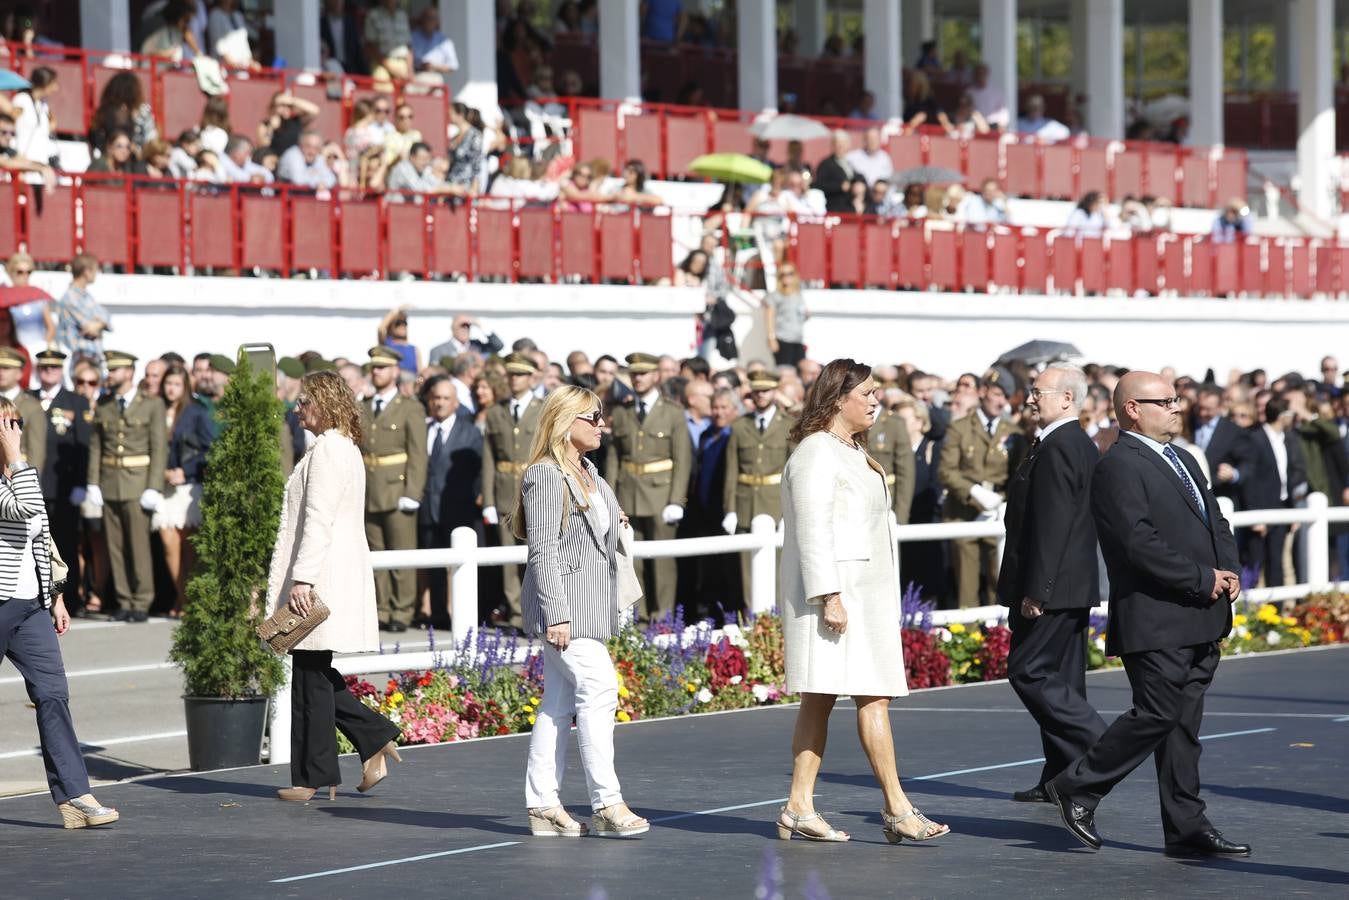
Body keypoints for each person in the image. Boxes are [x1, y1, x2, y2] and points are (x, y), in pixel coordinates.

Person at [1047, 372, 1248, 858]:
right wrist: (1204, 578)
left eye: (1177, 400)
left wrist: (1229, 569)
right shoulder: (1118, 465)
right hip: (1155, 618)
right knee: (1157, 713)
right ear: (1132, 408)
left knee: (1182, 727)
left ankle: (1185, 825)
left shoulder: (1180, 458)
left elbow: (1213, 517)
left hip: (1200, 614)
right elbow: (1137, 544)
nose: (1177, 407)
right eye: (1164, 401)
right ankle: (1077, 785)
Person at [777, 358, 949, 844]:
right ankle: (897, 808)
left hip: (858, 596)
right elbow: (811, 532)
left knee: (819, 699)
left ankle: (798, 806)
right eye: (868, 393)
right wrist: (829, 597)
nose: (877, 401)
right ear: (838, 400)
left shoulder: (848, 449)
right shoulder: (816, 453)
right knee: (870, 696)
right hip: (838, 599)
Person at [516, 384, 649, 838]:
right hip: (566, 608)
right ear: (564, 421)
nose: (601, 424)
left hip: (591, 607)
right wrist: (556, 614)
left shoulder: (589, 470)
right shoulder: (546, 475)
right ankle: (607, 802)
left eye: (601, 416)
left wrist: (616, 522)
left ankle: (542, 804)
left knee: (556, 704)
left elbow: (592, 529)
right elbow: (544, 550)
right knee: (599, 688)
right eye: (592, 417)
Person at [265, 369, 403, 802]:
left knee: (311, 676)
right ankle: (368, 740)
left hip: (323, 573)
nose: (297, 408)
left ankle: (314, 775)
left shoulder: (328, 451)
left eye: (304, 401)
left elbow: (318, 519)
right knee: (314, 674)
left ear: (324, 404)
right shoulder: (341, 447)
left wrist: (302, 577)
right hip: (332, 568)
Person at [0, 398, 119, 828]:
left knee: (53, 696)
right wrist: (16, 461)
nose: (13, 429)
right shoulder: (15, 476)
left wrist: (56, 595)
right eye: (5, 423)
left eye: (14, 421)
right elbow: (23, 508)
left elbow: (42, 533)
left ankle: (75, 796)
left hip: (31, 606)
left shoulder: (21, 472)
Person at [996, 364, 1108, 804]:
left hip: (1052, 588)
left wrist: (1037, 590)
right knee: (1063, 677)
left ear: (1067, 399)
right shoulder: (1067, 442)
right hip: (1066, 585)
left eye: (1038, 392)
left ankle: (1101, 742)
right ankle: (1062, 777)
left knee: (1029, 671)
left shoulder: (1062, 445)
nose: (1029, 398)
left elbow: (1053, 524)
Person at [603, 352, 692, 620]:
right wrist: (609, 498)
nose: (637, 378)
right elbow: (614, 460)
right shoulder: (622, 412)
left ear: (655, 375)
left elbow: (682, 459)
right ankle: (637, 615)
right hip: (628, 492)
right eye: (634, 373)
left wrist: (677, 500)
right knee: (631, 559)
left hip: (661, 493)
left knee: (663, 561)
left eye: (643, 373)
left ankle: (662, 616)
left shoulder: (673, 412)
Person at [85, 351, 165, 622]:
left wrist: (154, 486)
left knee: (138, 545)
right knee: (115, 546)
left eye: (117, 370)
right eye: (110, 369)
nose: (112, 374)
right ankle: (123, 599)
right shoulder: (105, 403)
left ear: (130, 372)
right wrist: (92, 482)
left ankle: (141, 601)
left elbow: (158, 447)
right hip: (110, 481)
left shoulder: (151, 404)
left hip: (138, 482)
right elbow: (97, 445)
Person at [939, 367, 1026, 608]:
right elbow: (947, 471)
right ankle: (967, 637)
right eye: (997, 394)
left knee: (997, 580)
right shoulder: (960, 428)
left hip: (997, 511)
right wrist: (975, 493)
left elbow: (1019, 475)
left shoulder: (1014, 434)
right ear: (984, 392)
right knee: (967, 584)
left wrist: (1004, 500)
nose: (1001, 402)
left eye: (1005, 397)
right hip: (963, 509)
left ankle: (997, 638)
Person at [360, 347, 427, 632]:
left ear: (396, 371)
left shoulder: (410, 406)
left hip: (397, 488)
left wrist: (412, 492)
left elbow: (418, 453)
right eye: (374, 367)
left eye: (383, 367)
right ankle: (381, 608)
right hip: (368, 489)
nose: (377, 372)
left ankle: (402, 610)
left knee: (401, 555)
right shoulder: (363, 405)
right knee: (375, 554)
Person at [482, 353, 545, 628]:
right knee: (507, 559)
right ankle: (517, 612)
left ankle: (536, 611)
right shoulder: (496, 411)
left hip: (537, 488)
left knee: (537, 554)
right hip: (505, 489)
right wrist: (488, 498)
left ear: (532, 377)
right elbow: (488, 457)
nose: (515, 379)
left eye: (520, 374)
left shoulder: (543, 409)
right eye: (511, 374)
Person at [417, 374, 481, 626]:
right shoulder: (423, 429)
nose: (440, 403)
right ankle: (439, 614)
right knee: (434, 564)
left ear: (456, 402)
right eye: (435, 398)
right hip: (428, 508)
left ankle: (465, 616)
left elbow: (478, 470)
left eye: (445, 398)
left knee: (460, 566)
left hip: (458, 509)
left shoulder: (471, 433)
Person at [31, 350, 90, 615]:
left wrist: (81, 482)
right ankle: (37, 597)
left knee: (65, 544)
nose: (49, 371)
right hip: (32, 484)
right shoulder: (28, 399)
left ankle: (71, 599)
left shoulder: (75, 401)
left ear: (61, 370)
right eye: (44, 367)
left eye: (54, 367)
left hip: (63, 485)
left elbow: (83, 445)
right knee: (34, 542)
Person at [154, 364, 214, 617]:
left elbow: (209, 447)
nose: (171, 388)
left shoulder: (196, 412)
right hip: (162, 486)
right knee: (169, 542)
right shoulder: (155, 409)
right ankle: (181, 595)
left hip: (188, 486)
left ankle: (188, 599)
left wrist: (186, 470)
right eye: (168, 383)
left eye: (177, 384)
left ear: (185, 386)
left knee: (188, 545)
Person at [1241, 396, 1308, 588]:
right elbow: (1249, 479)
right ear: (1282, 416)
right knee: (1256, 562)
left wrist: (1292, 511)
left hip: (1282, 507)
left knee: (1276, 563)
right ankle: (1251, 611)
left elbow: (1287, 476)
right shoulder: (1255, 438)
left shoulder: (1287, 439)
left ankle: (1275, 613)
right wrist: (1255, 515)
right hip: (1260, 510)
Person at [2, 251, 56, 377]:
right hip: (16, 351)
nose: (25, 276)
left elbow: (51, 328)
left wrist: (41, 347)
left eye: (28, 272)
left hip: (38, 350)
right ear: (11, 272)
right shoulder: (5, 298)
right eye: (20, 272)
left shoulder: (37, 296)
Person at [869, 399, 916, 525]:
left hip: (887, 501)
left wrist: (900, 518)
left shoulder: (894, 423)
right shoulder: (848, 421)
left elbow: (905, 473)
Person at [0, 347, 45, 473]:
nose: (1, 372)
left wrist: (30, 485)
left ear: (20, 373)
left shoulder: (32, 406)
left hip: (17, 474)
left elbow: (36, 450)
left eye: (6, 368)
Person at [12, 66, 57, 171]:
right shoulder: (21, 99)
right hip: (25, 165)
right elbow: (10, 125)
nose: (55, 88)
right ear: (45, 84)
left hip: (42, 165)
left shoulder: (43, 104)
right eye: (53, 84)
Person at [764, 265, 808, 368]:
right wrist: (771, 338)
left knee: (800, 370)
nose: (786, 277)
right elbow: (769, 317)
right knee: (785, 371)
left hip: (797, 340)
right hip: (783, 340)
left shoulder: (798, 294)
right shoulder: (775, 295)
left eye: (790, 273)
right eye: (782, 274)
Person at [429, 316, 504, 363]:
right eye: (461, 326)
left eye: (468, 326)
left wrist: (480, 325)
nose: (465, 329)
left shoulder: (476, 346)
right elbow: (430, 374)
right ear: (453, 328)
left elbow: (498, 345)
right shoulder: (438, 350)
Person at [376, 305, 420, 373]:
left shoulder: (414, 349)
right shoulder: (388, 344)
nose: (402, 326)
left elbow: (420, 369)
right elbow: (381, 329)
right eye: (398, 323)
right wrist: (396, 310)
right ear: (390, 327)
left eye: (404, 323)